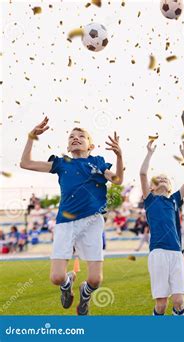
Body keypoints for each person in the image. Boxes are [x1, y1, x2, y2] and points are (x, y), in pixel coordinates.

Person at [20, 117, 123, 315]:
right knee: (56, 278)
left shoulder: (97, 163)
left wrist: (119, 156)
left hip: (92, 222)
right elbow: (25, 163)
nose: (75, 138)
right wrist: (32, 137)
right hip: (65, 223)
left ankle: (85, 294)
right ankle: (66, 284)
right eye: (71, 137)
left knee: (95, 280)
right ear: (68, 146)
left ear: (90, 145)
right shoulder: (61, 163)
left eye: (81, 136)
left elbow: (118, 180)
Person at [140, 138, 184, 316]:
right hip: (158, 253)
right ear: (152, 187)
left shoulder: (174, 200)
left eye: (165, 179)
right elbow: (142, 174)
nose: (162, 179)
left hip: (176, 253)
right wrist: (148, 154)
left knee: (179, 301)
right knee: (161, 304)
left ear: (170, 187)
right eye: (158, 179)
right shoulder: (150, 200)